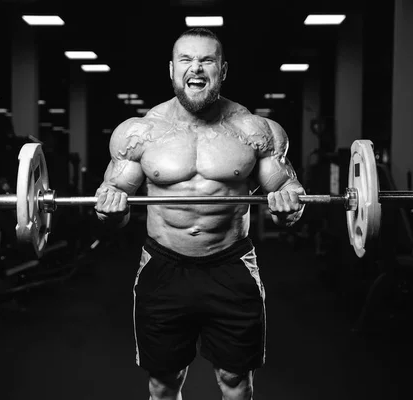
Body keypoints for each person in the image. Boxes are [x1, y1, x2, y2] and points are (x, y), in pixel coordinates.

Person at [94, 27, 306, 400]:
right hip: (163, 266)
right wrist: (110, 206)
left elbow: (286, 198)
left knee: (236, 382)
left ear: (222, 70)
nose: (196, 68)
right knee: (163, 384)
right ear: (172, 69)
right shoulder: (139, 133)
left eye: (207, 60)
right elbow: (115, 211)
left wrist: (288, 204)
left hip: (230, 263)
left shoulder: (255, 130)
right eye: (186, 60)